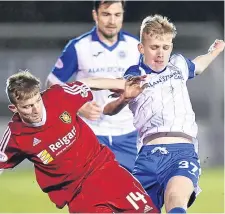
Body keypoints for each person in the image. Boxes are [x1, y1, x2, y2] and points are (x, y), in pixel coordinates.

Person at [92, 14, 225, 213]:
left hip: (182, 152)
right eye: (154, 47)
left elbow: (198, 64)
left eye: (166, 47)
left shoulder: (178, 65)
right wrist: (124, 99)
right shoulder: (134, 75)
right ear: (141, 48)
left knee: (175, 199)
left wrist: (215, 52)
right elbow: (109, 109)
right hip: (147, 157)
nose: (161, 53)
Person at [0, 70, 159, 213]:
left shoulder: (59, 96)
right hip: (77, 193)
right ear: (14, 108)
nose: (35, 110)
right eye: (27, 106)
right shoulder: (15, 136)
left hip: (105, 171)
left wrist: (123, 84)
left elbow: (89, 83)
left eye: (37, 101)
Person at [46, 0, 140, 172]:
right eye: (106, 14)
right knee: (89, 193)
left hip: (130, 134)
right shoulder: (79, 47)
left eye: (117, 15)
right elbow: (52, 85)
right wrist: (78, 106)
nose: (112, 21)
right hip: (91, 134)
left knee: (136, 193)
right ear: (95, 15)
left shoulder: (136, 47)